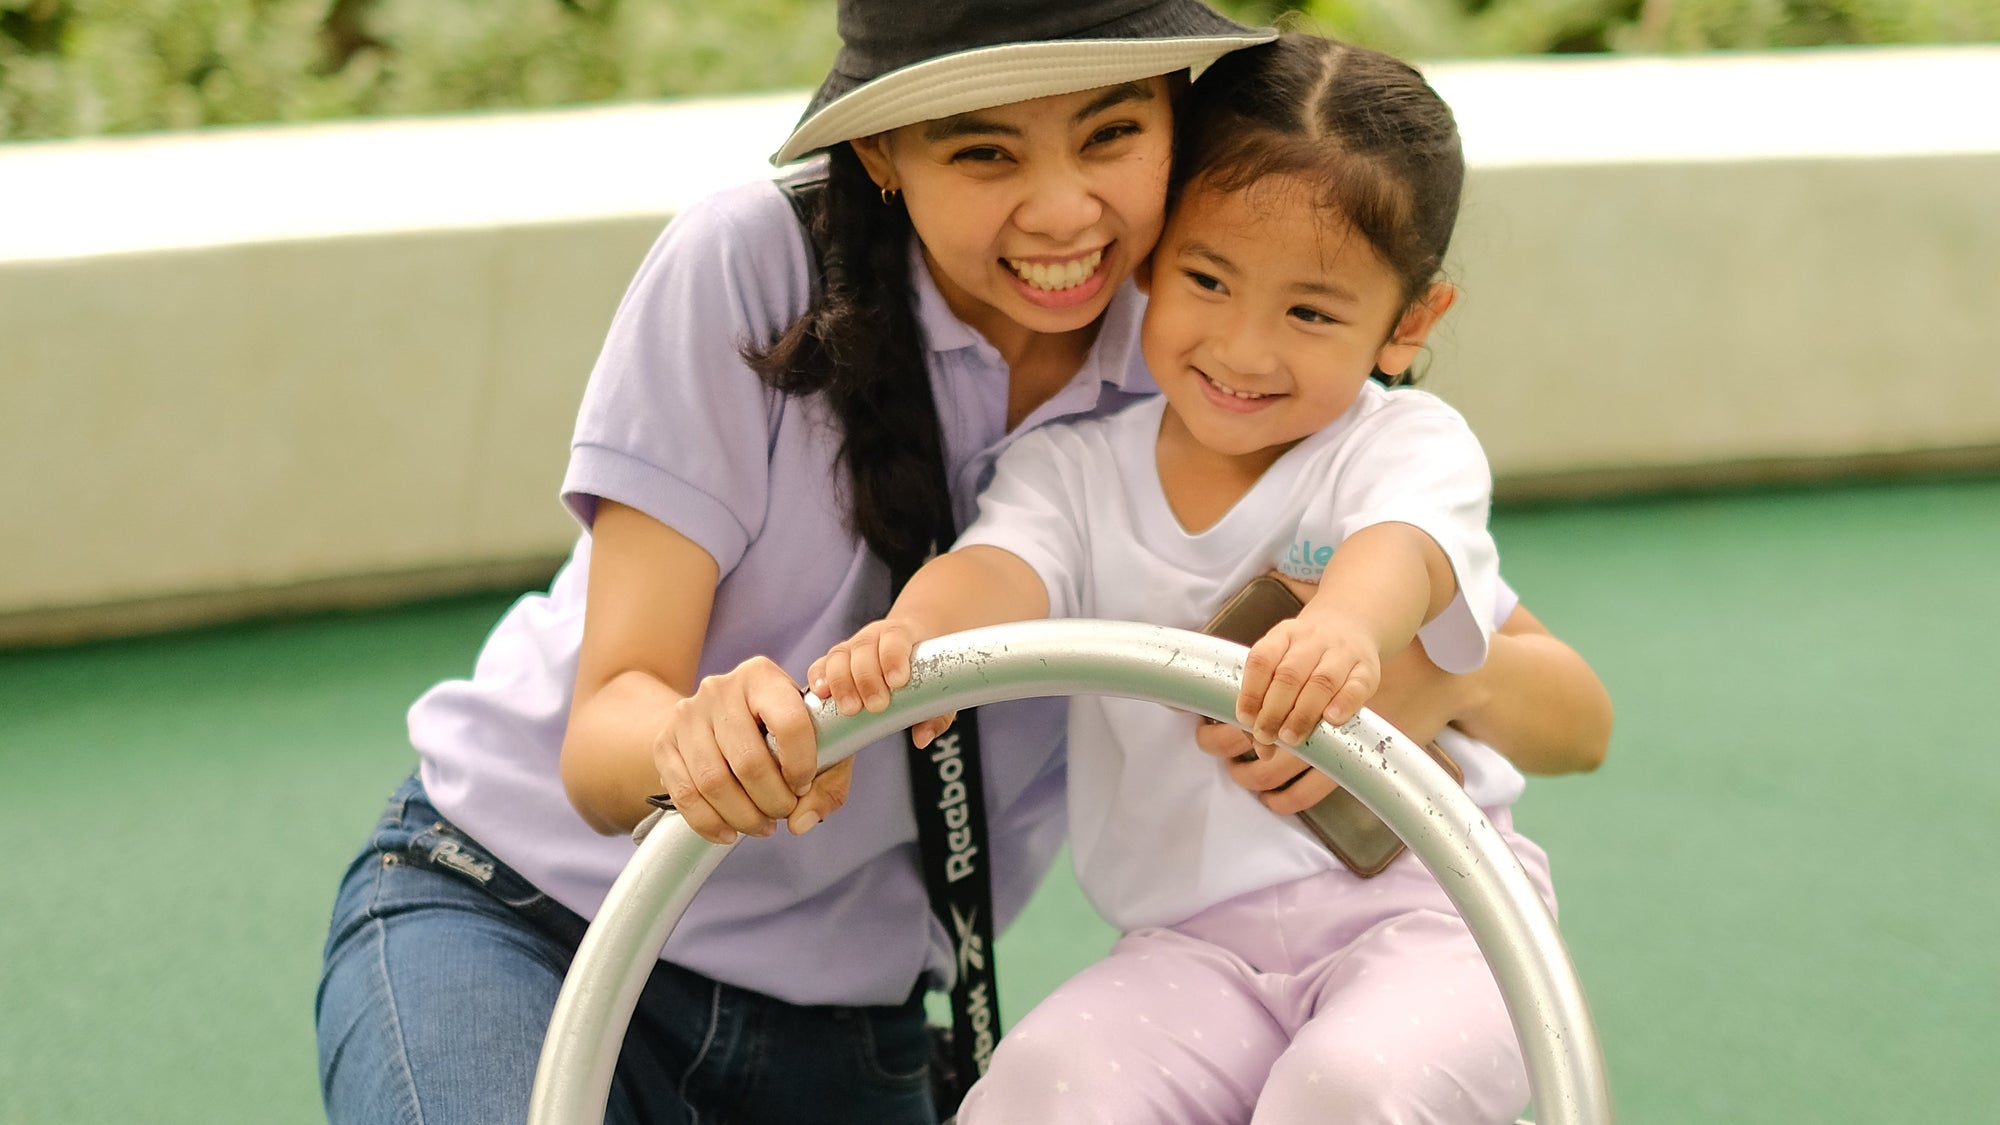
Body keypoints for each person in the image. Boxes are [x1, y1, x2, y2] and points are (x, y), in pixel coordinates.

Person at [313, 2, 1610, 1122]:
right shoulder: (756, 265)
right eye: (983, 149)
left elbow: (1561, 701)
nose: (1061, 211)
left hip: (850, 1010)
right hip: (528, 916)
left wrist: (1413, 674)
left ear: (1177, 119)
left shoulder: (1209, 349)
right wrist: (715, 736)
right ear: (877, 147)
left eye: (1112, 133)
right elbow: (607, 743)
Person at [812, 33, 1574, 1123]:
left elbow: (1399, 546)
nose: (1244, 348)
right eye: (1206, 280)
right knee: (1038, 1089)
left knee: (1348, 1088)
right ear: (1153, 259)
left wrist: (1345, 630)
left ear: (1407, 325)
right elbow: (997, 567)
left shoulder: (1398, 447)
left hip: (1428, 915)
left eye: (1309, 312)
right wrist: (912, 634)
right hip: (1193, 954)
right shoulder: (1072, 469)